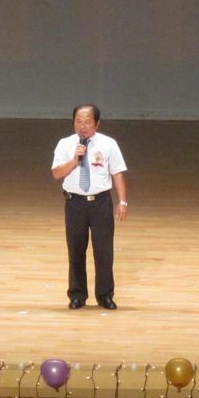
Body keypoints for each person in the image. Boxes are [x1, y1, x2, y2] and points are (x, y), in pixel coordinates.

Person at [51, 104, 128, 310]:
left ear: (97, 123)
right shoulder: (65, 144)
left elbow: (117, 173)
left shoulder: (108, 144)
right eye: (78, 121)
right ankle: (77, 295)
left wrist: (122, 202)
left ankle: (105, 295)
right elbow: (56, 173)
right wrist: (74, 160)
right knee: (76, 250)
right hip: (74, 203)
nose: (82, 126)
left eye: (87, 122)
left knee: (104, 251)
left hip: (100, 203)